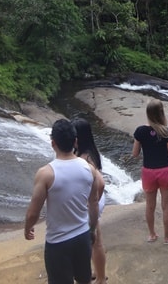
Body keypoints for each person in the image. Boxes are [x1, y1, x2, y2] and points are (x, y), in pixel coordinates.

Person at [25, 118, 100, 284]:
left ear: (53, 143)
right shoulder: (89, 169)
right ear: (75, 142)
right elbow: (94, 204)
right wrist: (92, 230)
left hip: (58, 241)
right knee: (84, 280)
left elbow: (33, 212)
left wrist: (27, 228)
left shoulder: (45, 174)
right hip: (82, 235)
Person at [132, 99, 168, 245]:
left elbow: (135, 154)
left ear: (148, 114)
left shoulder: (140, 131)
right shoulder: (167, 132)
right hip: (165, 170)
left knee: (150, 205)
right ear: (161, 113)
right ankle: (167, 237)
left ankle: (152, 234)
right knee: (166, 206)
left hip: (149, 171)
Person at [73, 118, 107, 284]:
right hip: (92, 200)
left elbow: (100, 183)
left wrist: (92, 203)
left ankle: (101, 278)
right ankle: (96, 272)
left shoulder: (86, 158)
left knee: (95, 240)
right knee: (92, 240)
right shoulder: (88, 151)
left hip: (92, 201)